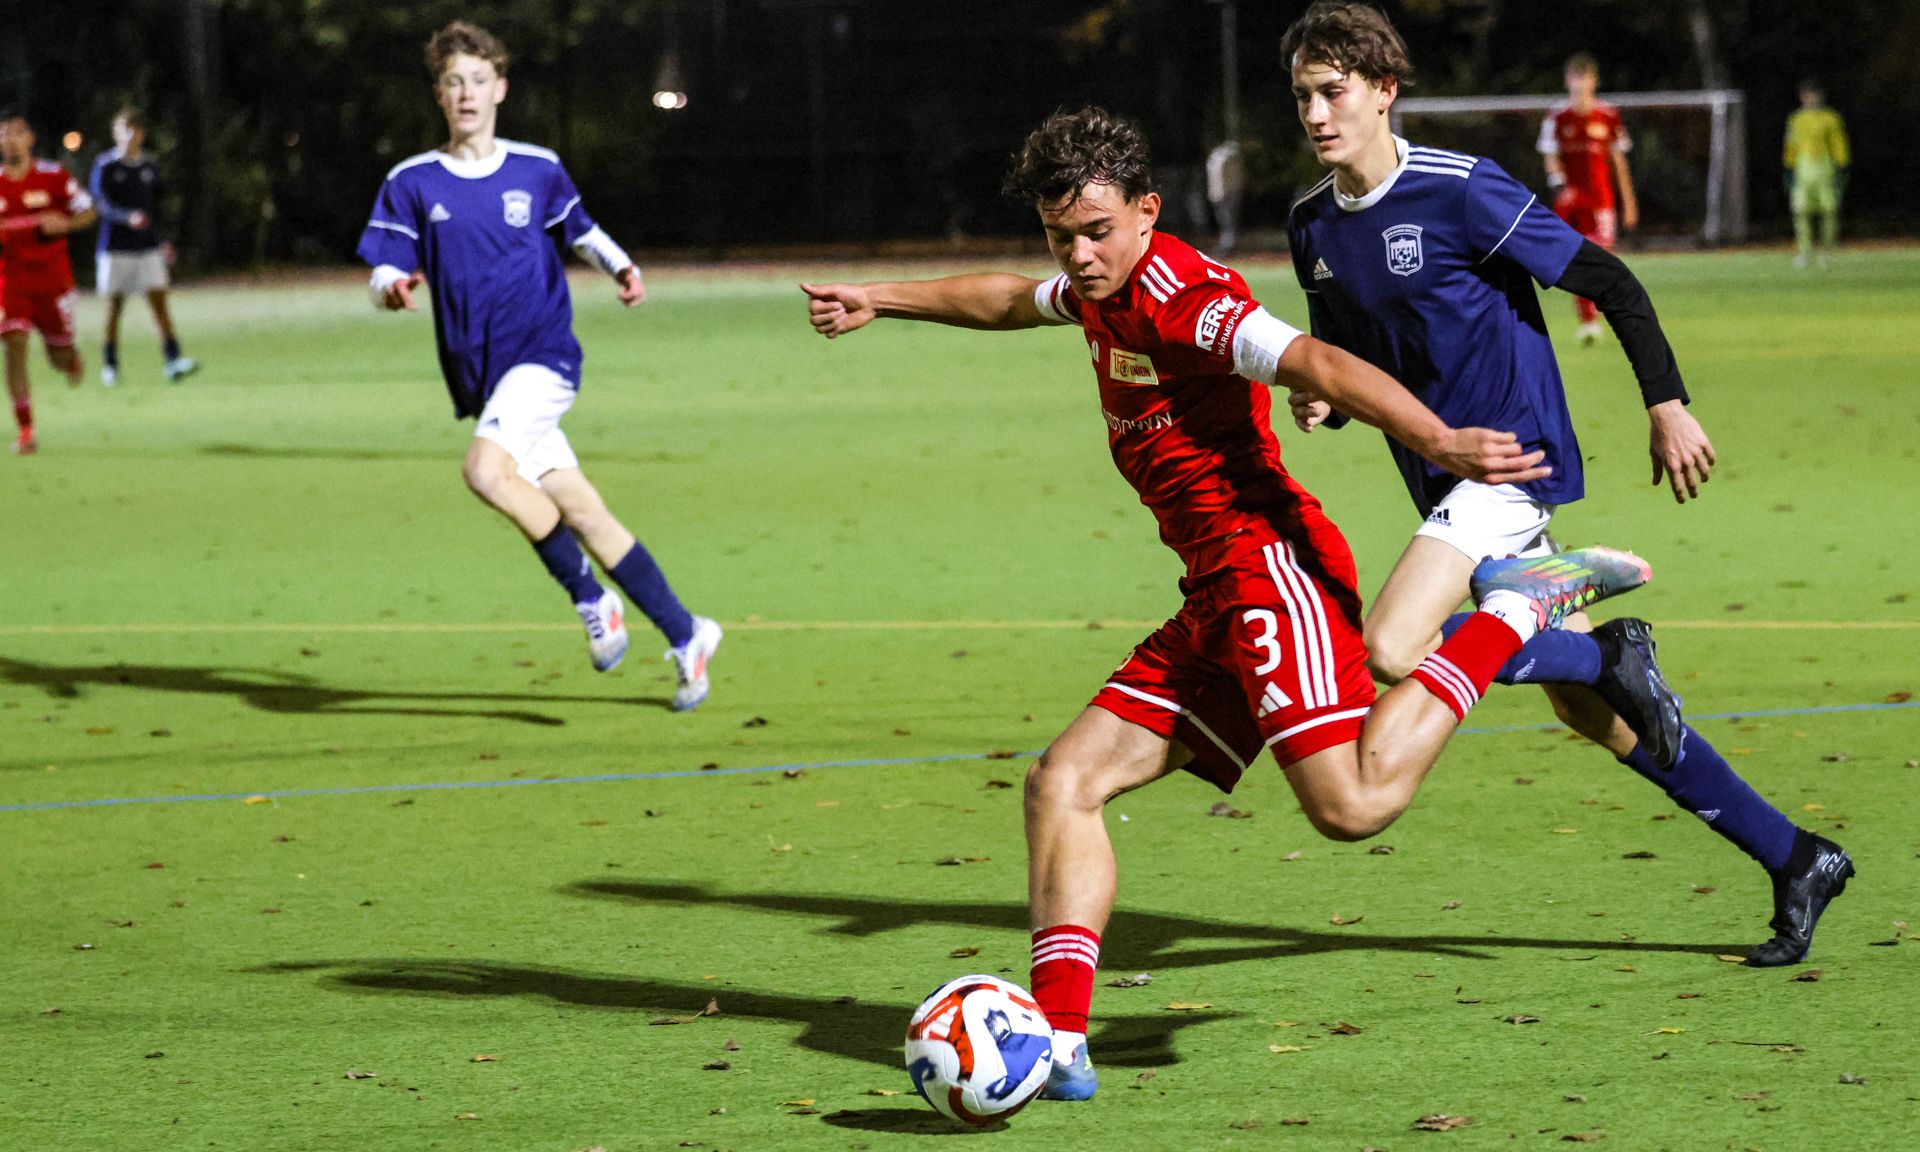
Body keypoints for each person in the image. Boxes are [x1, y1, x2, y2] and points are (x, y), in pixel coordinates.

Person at [804, 106, 1653, 1103]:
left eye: (1096, 233)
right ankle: (1063, 1044)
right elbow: (1006, 300)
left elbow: (1317, 363)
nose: (1078, 257)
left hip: (1271, 570)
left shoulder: (1182, 294)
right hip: (1212, 590)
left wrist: (1441, 442)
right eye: (1060, 237)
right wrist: (882, 298)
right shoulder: (1100, 289)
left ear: (1147, 213)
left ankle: (1510, 611)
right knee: (1061, 785)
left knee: (1353, 806)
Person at [1279, 1, 1851, 972]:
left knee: (1393, 644)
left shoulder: (1461, 192)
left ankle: (1596, 641)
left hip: (1514, 461)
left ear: (1384, 91)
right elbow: (1347, 350)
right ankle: (1795, 855)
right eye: (1302, 96)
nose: (1318, 112)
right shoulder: (1313, 228)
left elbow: (1612, 280)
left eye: (1334, 91)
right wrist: (1327, 403)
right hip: (1442, 475)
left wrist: (1666, 403)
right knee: (1596, 713)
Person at [356, 20, 721, 708]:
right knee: (581, 508)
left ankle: (591, 597)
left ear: (501, 88)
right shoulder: (412, 182)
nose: (467, 93)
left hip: (544, 358)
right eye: (453, 82)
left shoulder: (536, 167)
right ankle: (686, 633)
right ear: (438, 95)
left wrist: (621, 266)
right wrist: (391, 288)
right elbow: (384, 268)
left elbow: (580, 230)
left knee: (483, 471)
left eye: (478, 80)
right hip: (487, 379)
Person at [0, 111, 96, 455]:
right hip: (13, 281)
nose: (10, 139)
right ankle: (26, 430)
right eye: (4, 134)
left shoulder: (53, 177)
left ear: (30, 139)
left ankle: (70, 359)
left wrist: (66, 224)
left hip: (54, 283)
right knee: (14, 344)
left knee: (58, 358)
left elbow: (88, 210)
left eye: (16, 133)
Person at [89, 107, 197, 386]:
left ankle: (173, 360)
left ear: (141, 134)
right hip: (115, 248)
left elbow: (157, 208)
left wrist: (162, 241)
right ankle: (110, 365)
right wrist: (127, 217)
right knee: (114, 307)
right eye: (124, 129)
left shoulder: (150, 166)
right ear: (115, 134)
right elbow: (101, 205)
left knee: (160, 304)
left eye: (134, 129)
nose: (129, 135)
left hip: (147, 247)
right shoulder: (106, 166)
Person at [1537, 52, 1637, 345]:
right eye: (1575, 78)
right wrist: (1559, 185)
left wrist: (1629, 202)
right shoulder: (1556, 116)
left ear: (1594, 81)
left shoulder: (1608, 115)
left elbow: (1619, 163)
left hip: (1601, 200)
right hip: (1571, 202)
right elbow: (1550, 158)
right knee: (1574, 259)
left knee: (1603, 257)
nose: (1580, 84)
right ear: (1568, 81)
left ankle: (1600, 310)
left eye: (1585, 78)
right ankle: (1588, 320)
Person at [1783, 79, 1850, 269]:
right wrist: (1788, 166)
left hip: (1825, 168)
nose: (1809, 97)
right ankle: (1804, 252)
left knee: (1829, 210)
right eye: (1806, 94)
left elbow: (1838, 143)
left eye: (1812, 93)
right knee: (1801, 210)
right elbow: (1790, 143)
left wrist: (1842, 164)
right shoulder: (1796, 119)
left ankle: (1827, 251)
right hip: (1803, 168)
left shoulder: (1830, 118)